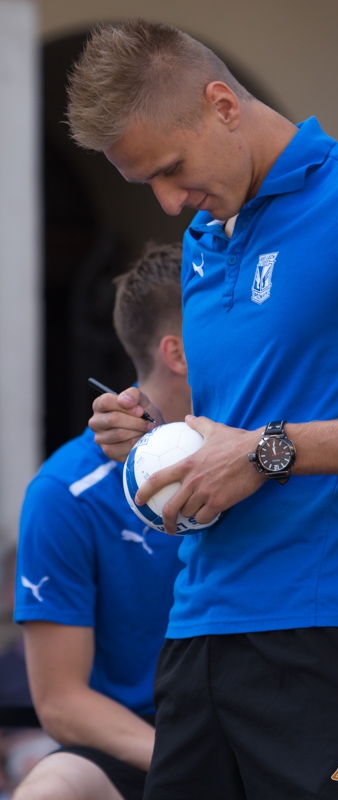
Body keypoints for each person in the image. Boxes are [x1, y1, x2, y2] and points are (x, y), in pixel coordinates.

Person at [67, 20, 338, 799]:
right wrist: (157, 439)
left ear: (222, 105)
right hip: (199, 635)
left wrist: (265, 450)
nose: (169, 203)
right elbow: (241, 426)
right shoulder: (205, 239)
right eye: (147, 186)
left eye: (172, 169)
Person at [13, 242, 190, 800]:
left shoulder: (270, 451)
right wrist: (190, 768)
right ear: (179, 352)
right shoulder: (66, 491)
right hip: (140, 746)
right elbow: (61, 702)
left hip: (272, 735)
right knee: (50, 791)